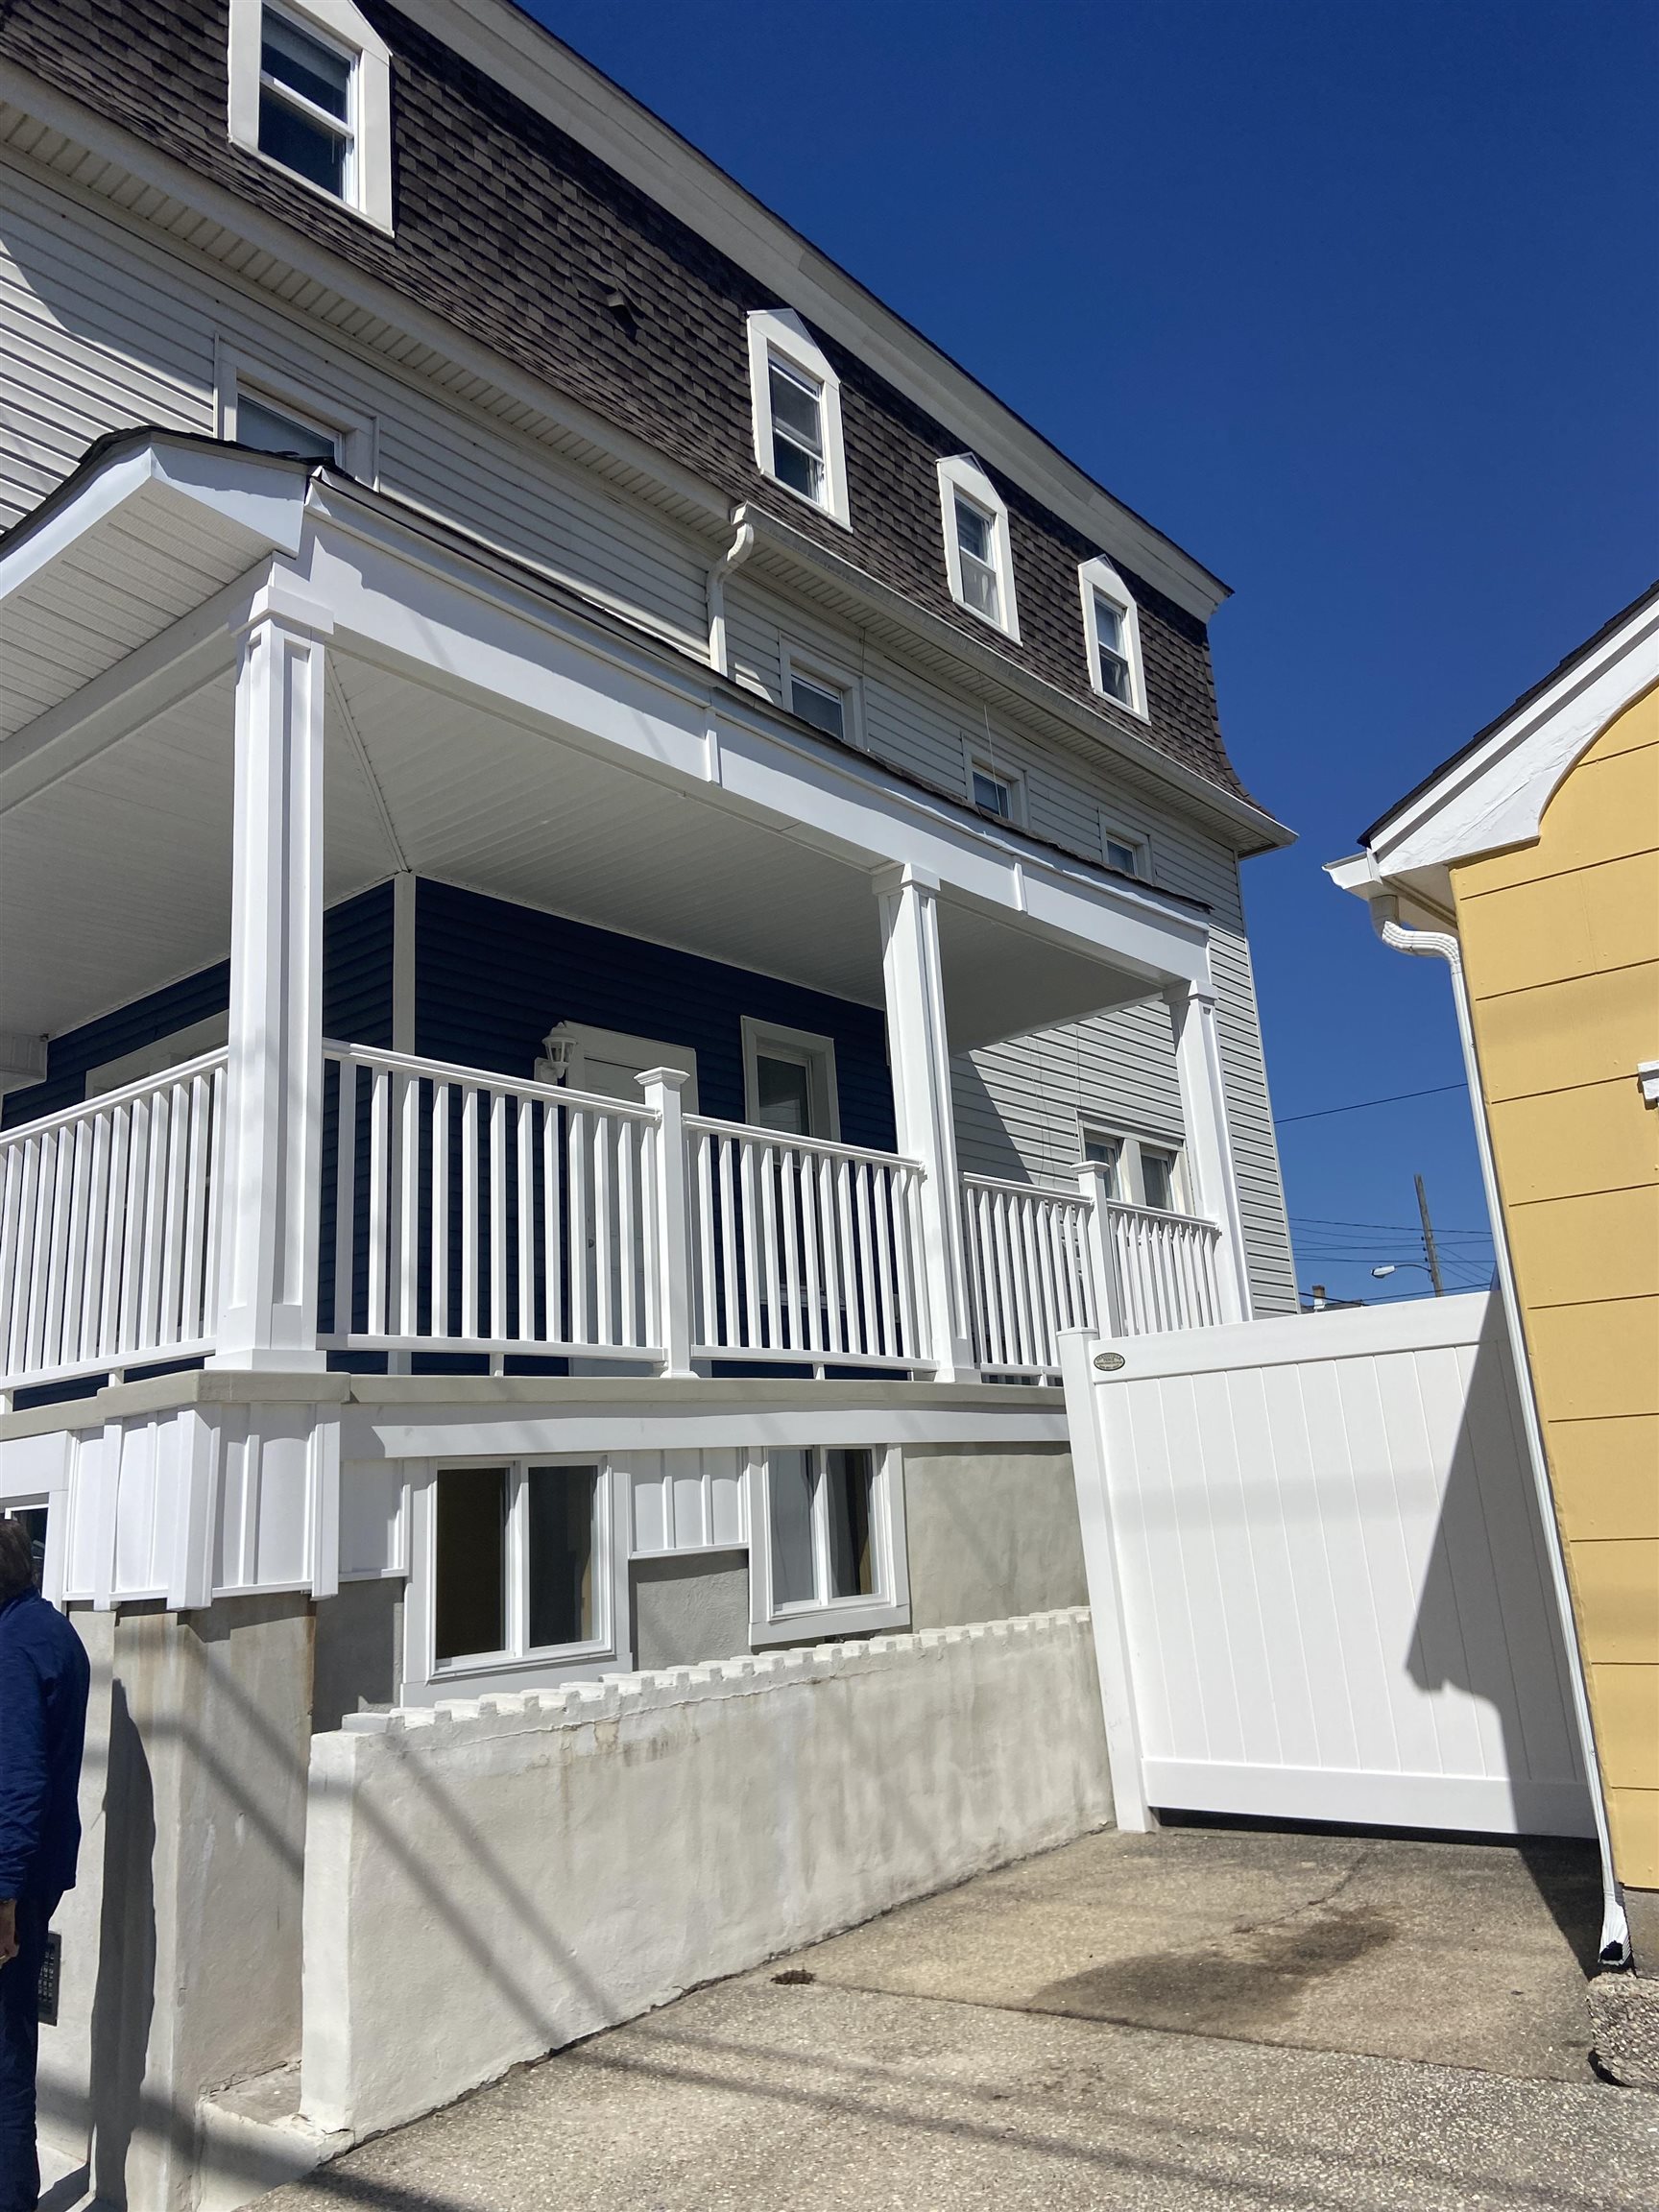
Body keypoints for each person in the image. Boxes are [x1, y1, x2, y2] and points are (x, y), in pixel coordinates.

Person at [0, 1516, 89, 2212]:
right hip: (33, 1874)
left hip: (12, 1886)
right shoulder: (48, 1630)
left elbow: (19, 1777)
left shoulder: (16, 1644)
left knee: (3, 2065)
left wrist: (3, 1898)